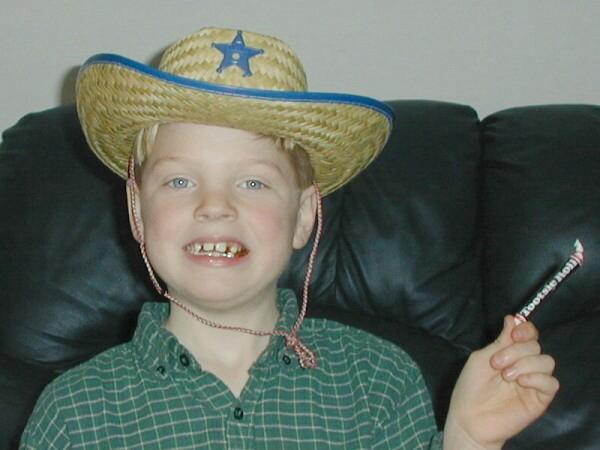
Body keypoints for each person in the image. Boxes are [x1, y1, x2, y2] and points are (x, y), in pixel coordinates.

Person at [20, 27, 558, 449]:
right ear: (138, 212)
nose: (214, 206)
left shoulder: (378, 380)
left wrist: (468, 438)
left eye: (253, 182)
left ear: (303, 216)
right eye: (180, 181)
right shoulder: (76, 412)